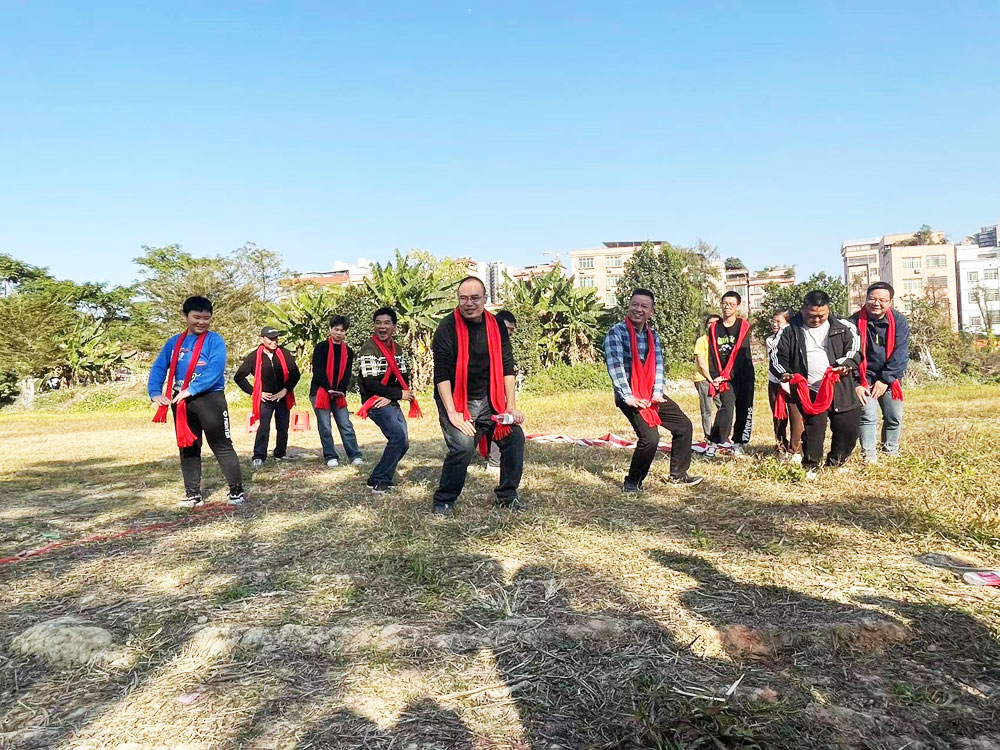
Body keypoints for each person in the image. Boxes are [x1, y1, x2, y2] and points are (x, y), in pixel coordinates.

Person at [431, 277, 526, 517]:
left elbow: (507, 365)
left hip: (490, 400)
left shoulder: (497, 325)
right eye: (463, 298)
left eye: (475, 298)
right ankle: (444, 500)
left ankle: (507, 496)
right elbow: (441, 374)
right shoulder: (446, 327)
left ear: (485, 299)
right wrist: (453, 413)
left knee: (515, 437)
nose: (469, 303)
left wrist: (511, 406)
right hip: (456, 399)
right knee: (463, 447)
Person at [148, 296, 244, 507]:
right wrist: (155, 392)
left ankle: (236, 491)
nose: (201, 322)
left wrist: (191, 390)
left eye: (206, 318)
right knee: (188, 446)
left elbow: (215, 370)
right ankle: (193, 494)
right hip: (181, 402)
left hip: (210, 400)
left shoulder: (215, 341)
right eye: (196, 317)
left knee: (221, 445)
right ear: (185, 317)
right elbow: (159, 367)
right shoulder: (174, 342)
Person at [604, 288, 702, 491]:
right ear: (628, 307)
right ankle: (632, 483)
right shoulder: (617, 333)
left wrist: (657, 393)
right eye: (635, 304)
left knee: (683, 426)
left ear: (651, 312)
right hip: (629, 394)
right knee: (650, 438)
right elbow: (616, 367)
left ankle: (678, 475)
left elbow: (658, 365)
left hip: (650, 392)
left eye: (644, 306)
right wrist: (628, 397)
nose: (638, 309)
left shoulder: (652, 335)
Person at [770, 290, 862, 480]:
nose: (817, 320)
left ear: (828, 310)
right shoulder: (789, 330)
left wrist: (844, 365)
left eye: (822, 315)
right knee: (814, 428)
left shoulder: (844, 326)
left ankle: (836, 461)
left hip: (840, 385)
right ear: (804, 309)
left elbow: (854, 350)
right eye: (812, 315)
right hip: (809, 389)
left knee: (848, 427)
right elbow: (777, 356)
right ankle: (811, 465)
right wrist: (785, 373)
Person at [357, 307, 417, 493]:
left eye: (386, 323)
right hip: (374, 402)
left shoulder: (397, 348)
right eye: (378, 323)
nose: (382, 327)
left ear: (394, 327)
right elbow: (370, 384)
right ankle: (380, 480)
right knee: (397, 438)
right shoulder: (368, 349)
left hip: (388, 399)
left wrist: (391, 395)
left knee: (403, 443)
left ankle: (376, 477)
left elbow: (403, 376)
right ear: (374, 326)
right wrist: (397, 394)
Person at [850, 282, 909, 464]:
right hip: (863, 377)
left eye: (882, 300)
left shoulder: (898, 321)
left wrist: (885, 379)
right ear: (866, 299)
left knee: (894, 417)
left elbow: (901, 353)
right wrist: (856, 383)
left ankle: (890, 451)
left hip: (890, 377)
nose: (876, 303)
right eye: (872, 299)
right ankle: (869, 456)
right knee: (868, 416)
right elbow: (848, 355)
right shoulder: (853, 322)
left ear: (890, 302)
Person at [234, 327, 301, 467]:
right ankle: (259, 456)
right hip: (265, 399)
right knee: (264, 427)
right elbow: (239, 377)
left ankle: (280, 453)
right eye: (270, 339)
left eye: (276, 338)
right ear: (261, 339)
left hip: (282, 396)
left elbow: (295, 373)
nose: (274, 342)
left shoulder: (284, 353)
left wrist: (285, 390)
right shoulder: (254, 356)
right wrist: (255, 392)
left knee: (283, 427)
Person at [705, 291, 754, 458]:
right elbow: (712, 354)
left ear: (737, 307)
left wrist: (728, 374)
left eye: (731, 304)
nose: (727, 307)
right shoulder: (714, 328)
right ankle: (714, 442)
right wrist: (715, 377)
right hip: (723, 376)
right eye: (725, 303)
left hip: (743, 374)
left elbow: (740, 355)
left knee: (744, 408)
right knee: (726, 407)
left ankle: (739, 443)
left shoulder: (743, 326)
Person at [310, 315, 363, 468]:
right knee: (325, 426)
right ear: (330, 329)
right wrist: (328, 388)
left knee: (346, 424)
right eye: (336, 329)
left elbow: (347, 373)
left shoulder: (348, 351)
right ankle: (330, 456)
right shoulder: (321, 347)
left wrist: (340, 391)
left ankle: (354, 455)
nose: (339, 333)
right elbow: (318, 371)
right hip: (320, 392)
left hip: (338, 393)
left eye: (342, 330)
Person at [765, 307, 804, 462]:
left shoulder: (794, 334)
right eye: (773, 321)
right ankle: (781, 446)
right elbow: (775, 357)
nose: (775, 324)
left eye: (778, 321)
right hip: (776, 381)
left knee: (796, 415)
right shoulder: (770, 339)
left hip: (793, 381)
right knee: (778, 416)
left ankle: (796, 449)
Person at [485, 309, 518, 475]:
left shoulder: (505, 345)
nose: (509, 333)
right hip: (478, 394)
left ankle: (495, 462)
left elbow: (508, 371)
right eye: (507, 329)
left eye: (512, 330)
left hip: (497, 394)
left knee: (502, 423)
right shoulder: (483, 340)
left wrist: (511, 404)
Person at [692, 314, 721, 442]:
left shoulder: (720, 341)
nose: (713, 325)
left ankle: (721, 434)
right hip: (704, 379)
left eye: (716, 323)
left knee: (723, 407)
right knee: (707, 409)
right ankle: (709, 436)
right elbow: (701, 363)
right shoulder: (702, 340)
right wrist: (710, 379)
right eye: (710, 323)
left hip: (718, 380)